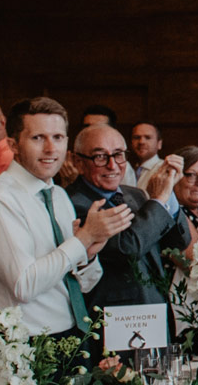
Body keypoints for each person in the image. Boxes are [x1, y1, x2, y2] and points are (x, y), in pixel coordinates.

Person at [0, 97, 131, 337]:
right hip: (24, 345)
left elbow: (84, 284)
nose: (51, 149)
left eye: (58, 138)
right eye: (38, 138)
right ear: (13, 144)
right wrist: (83, 239)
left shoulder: (58, 194)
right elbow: (24, 285)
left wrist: (88, 255)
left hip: (71, 335)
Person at [67, 124, 189, 332]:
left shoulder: (135, 195)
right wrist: (159, 199)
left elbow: (178, 242)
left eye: (118, 155)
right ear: (79, 162)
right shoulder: (74, 203)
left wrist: (169, 194)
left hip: (154, 311)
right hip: (115, 322)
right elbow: (127, 247)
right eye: (100, 157)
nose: (113, 166)